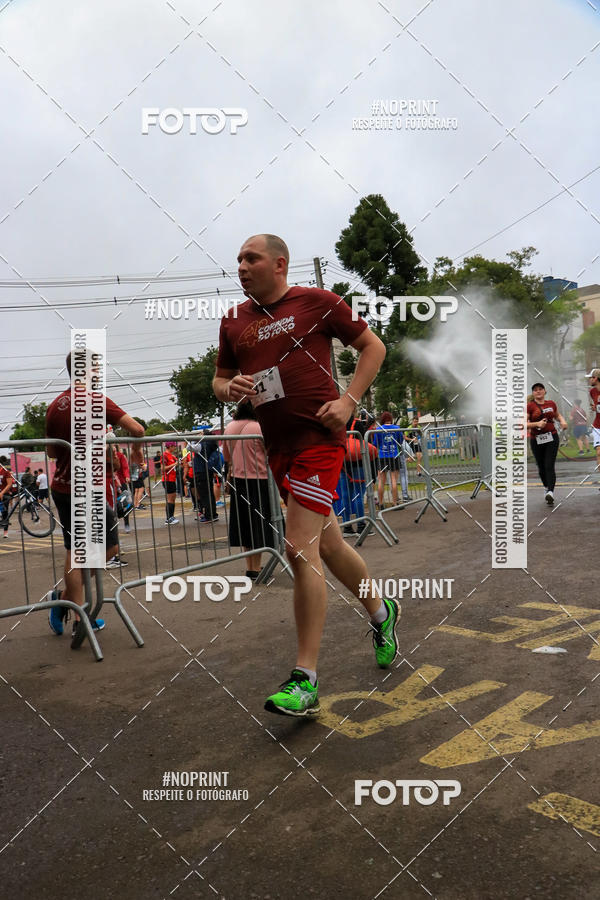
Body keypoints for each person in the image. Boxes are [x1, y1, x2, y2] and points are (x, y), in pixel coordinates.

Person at [213, 233, 396, 718]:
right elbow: (219, 381)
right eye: (238, 259)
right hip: (278, 449)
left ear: (279, 263)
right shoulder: (234, 321)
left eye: (250, 258)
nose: (241, 265)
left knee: (298, 548)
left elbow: (373, 347)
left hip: (321, 439)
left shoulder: (316, 302)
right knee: (329, 546)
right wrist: (228, 387)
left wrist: (349, 400)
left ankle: (305, 679)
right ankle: (382, 612)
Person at [45, 350, 144, 636]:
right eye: (96, 369)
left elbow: (51, 451)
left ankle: (69, 603)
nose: (99, 373)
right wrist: (137, 447)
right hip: (83, 488)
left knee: (87, 549)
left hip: (64, 486)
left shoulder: (55, 406)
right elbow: (136, 428)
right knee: (96, 550)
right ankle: (77, 614)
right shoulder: (97, 400)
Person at [223, 400, 275, 578]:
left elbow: (226, 456)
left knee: (244, 525)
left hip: (238, 480)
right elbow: (271, 452)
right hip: (259, 481)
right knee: (258, 524)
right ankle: (257, 567)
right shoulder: (259, 427)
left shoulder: (229, 427)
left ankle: (250, 567)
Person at [526, 382, 568, 505]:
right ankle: (546, 487)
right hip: (536, 439)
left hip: (552, 437)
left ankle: (550, 492)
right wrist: (536, 424)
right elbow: (523, 423)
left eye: (540, 389)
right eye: (535, 390)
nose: (538, 391)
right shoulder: (529, 406)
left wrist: (563, 421)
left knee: (549, 465)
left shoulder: (551, 404)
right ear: (533, 393)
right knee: (541, 466)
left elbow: (557, 415)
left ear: (545, 391)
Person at [370, 412, 410, 507]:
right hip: (394, 455)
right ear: (391, 419)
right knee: (393, 480)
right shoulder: (396, 428)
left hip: (382, 456)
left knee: (381, 481)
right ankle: (395, 503)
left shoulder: (378, 429)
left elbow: (375, 443)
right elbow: (400, 441)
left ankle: (380, 503)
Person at [190, 429, 219, 523]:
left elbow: (188, 447)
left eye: (200, 434)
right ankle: (213, 514)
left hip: (201, 472)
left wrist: (194, 439)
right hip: (207, 471)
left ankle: (209, 516)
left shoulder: (202, 445)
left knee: (205, 495)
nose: (198, 435)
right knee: (209, 494)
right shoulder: (210, 444)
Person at [162, 441, 179, 525]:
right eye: (174, 446)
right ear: (170, 446)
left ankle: (171, 516)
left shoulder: (172, 456)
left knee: (173, 498)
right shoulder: (164, 455)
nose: (175, 448)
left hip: (172, 479)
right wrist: (175, 464)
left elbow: (178, 463)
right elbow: (163, 468)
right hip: (167, 479)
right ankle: (168, 518)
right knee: (170, 499)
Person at [587, 368, 600, 471]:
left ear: (595, 378)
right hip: (597, 426)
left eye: (590, 378)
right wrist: (595, 408)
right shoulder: (592, 391)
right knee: (599, 452)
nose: (589, 380)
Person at [0, 456, 15, 539]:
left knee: (4, 513)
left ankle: (5, 532)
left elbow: (9, 484)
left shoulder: (6, 472)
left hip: (5, 495)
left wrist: (2, 493)